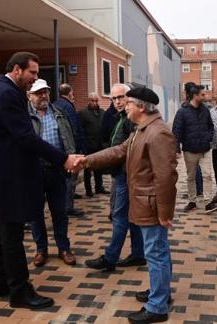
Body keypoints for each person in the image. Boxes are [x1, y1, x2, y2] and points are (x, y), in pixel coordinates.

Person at [0, 52, 78, 310]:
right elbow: (26, 137)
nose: (35, 78)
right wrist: (63, 158)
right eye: (32, 73)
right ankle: (20, 291)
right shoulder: (7, 94)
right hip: (5, 179)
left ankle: (1, 285)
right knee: (11, 237)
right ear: (17, 70)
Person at [74, 87, 177, 323]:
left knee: (156, 253)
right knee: (158, 251)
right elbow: (119, 151)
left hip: (151, 205)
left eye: (128, 102)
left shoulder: (158, 133)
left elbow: (166, 177)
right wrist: (86, 160)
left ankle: (158, 307)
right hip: (144, 202)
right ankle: (160, 293)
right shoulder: (142, 129)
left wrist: (165, 213)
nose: (124, 105)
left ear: (141, 107)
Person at [85, 83, 145, 272]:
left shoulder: (132, 120)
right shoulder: (122, 116)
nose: (118, 102)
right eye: (114, 98)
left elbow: (124, 150)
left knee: (119, 216)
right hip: (122, 174)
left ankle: (110, 258)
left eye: (121, 97)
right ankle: (138, 254)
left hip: (126, 176)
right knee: (131, 217)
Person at [27, 79, 77, 267]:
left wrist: (71, 161)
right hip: (33, 171)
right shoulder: (24, 117)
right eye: (39, 92)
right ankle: (41, 249)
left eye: (46, 92)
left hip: (56, 170)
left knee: (60, 212)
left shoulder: (59, 114)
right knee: (35, 213)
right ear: (29, 96)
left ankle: (64, 248)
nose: (43, 96)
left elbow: (69, 139)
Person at [172, 83, 217, 213]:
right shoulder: (182, 112)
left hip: (205, 149)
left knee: (208, 175)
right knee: (191, 177)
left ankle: (208, 202)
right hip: (190, 150)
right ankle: (192, 201)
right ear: (195, 96)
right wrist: (177, 149)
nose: (205, 96)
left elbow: (211, 126)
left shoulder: (205, 110)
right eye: (202, 94)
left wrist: (208, 138)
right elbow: (176, 131)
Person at [54, 83, 85, 217]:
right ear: (70, 93)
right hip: (70, 149)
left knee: (63, 181)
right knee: (70, 179)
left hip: (59, 148)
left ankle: (62, 205)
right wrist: (78, 148)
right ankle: (68, 207)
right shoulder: (68, 107)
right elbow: (74, 128)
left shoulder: (54, 105)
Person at [79, 93, 109, 197]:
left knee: (99, 168)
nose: (95, 103)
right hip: (89, 146)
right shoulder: (83, 113)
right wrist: (83, 146)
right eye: (93, 100)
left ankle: (99, 187)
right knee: (88, 170)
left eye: (96, 101)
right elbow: (80, 130)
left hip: (100, 146)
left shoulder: (102, 112)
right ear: (88, 101)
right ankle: (88, 190)